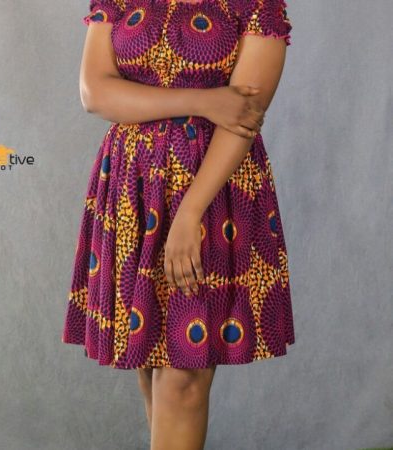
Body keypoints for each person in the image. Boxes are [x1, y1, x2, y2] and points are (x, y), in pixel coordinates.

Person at [61, 0, 296, 448]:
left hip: (212, 192)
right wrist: (203, 101)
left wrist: (190, 213)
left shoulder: (257, 6)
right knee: (151, 360)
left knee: (185, 375)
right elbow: (95, 93)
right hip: (133, 189)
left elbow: (243, 115)